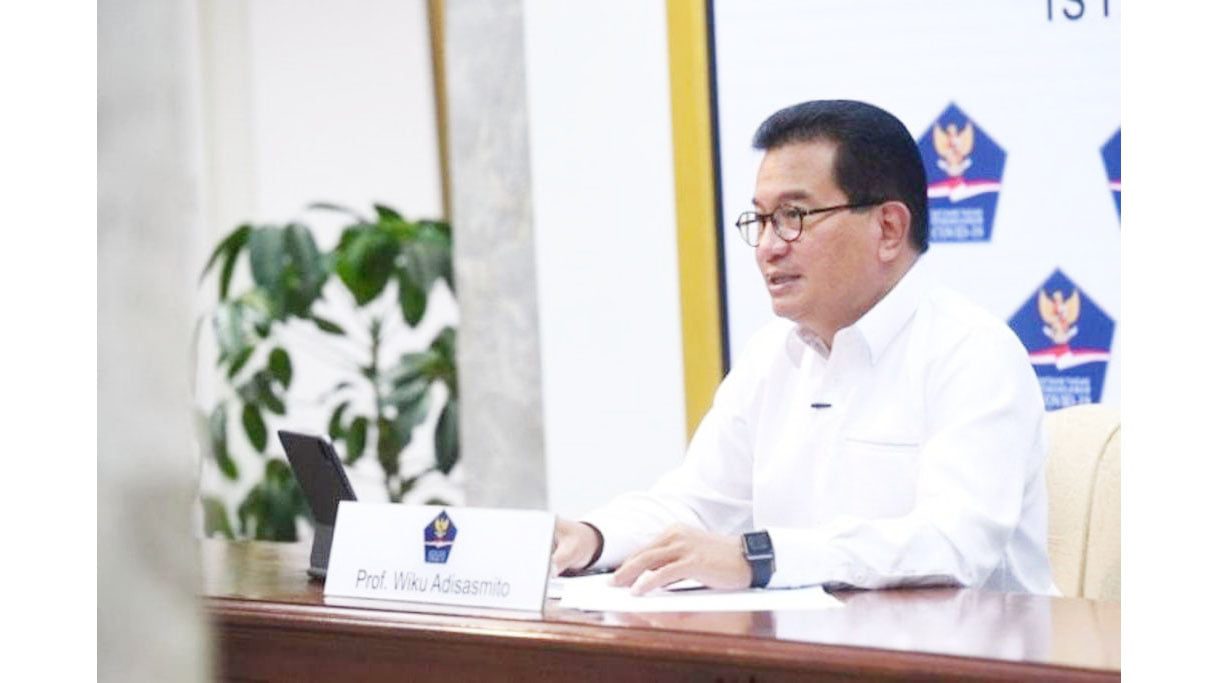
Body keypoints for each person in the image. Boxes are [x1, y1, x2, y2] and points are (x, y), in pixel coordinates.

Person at [551, 99, 1056, 596]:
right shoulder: (771, 356)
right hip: (812, 641)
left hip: (969, 644)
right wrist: (592, 538)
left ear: (888, 229)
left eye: (793, 215)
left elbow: (951, 544)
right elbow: (697, 506)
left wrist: (759, 557)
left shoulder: (972, 352)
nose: (768, 247)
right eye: (761, 220)